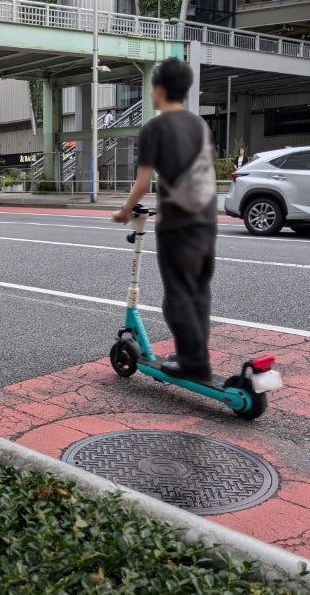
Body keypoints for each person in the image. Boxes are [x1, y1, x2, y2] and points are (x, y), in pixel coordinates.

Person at [111, 57, 217, 382]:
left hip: (178, 224)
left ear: (158, 89)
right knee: (198, 292)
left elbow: (143, 184)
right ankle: (195, 355)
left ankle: (193, 363)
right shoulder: (199, 125)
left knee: (177, 298)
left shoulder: (154, 129)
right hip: (207, 219)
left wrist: (124, 211)